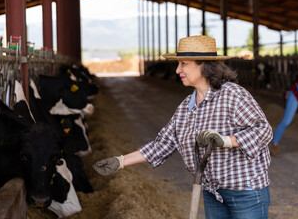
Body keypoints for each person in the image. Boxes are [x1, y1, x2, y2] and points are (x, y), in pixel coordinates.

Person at [92, 35, 273, 219]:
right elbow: (161, 145)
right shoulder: (186, 107)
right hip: (213, 193)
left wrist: (226, 141)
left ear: (203, 65)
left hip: (245, 191)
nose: (178, 70)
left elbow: (263, 130)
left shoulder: (232, 95)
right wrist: (121, 161)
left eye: (183, 64)